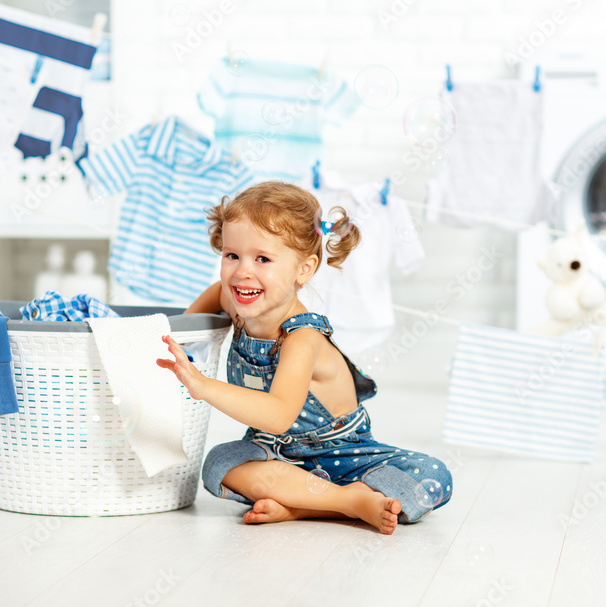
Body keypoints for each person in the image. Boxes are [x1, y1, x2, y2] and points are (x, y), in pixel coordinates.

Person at [156, 181, 452, 534]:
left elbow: (280, 415)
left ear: (304, 269)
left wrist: (204, 386)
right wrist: (165, 356)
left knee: (432, 478)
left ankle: (319, 504)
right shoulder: (228, 300)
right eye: (232, 255)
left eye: (262, 259)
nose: (242, 271)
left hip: (346, 454)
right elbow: (183, 334)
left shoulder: (302, 336)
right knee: (219, 464)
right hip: (275, 453)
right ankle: (343, 503)